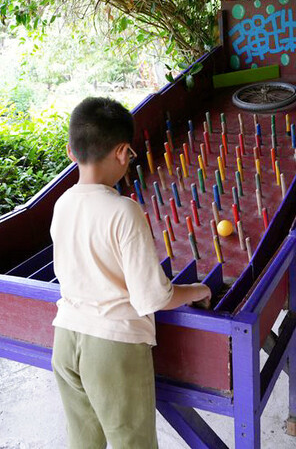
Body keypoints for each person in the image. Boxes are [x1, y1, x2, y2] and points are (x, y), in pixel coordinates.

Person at [50, 97, 212, 449]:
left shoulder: (62, 203)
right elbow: (152, 297)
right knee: (132, 443)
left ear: (71, 152)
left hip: (65, 339)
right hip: (112, 346)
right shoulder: (124, 211)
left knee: (83, 441)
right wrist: (197, 290)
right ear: (122, 152)